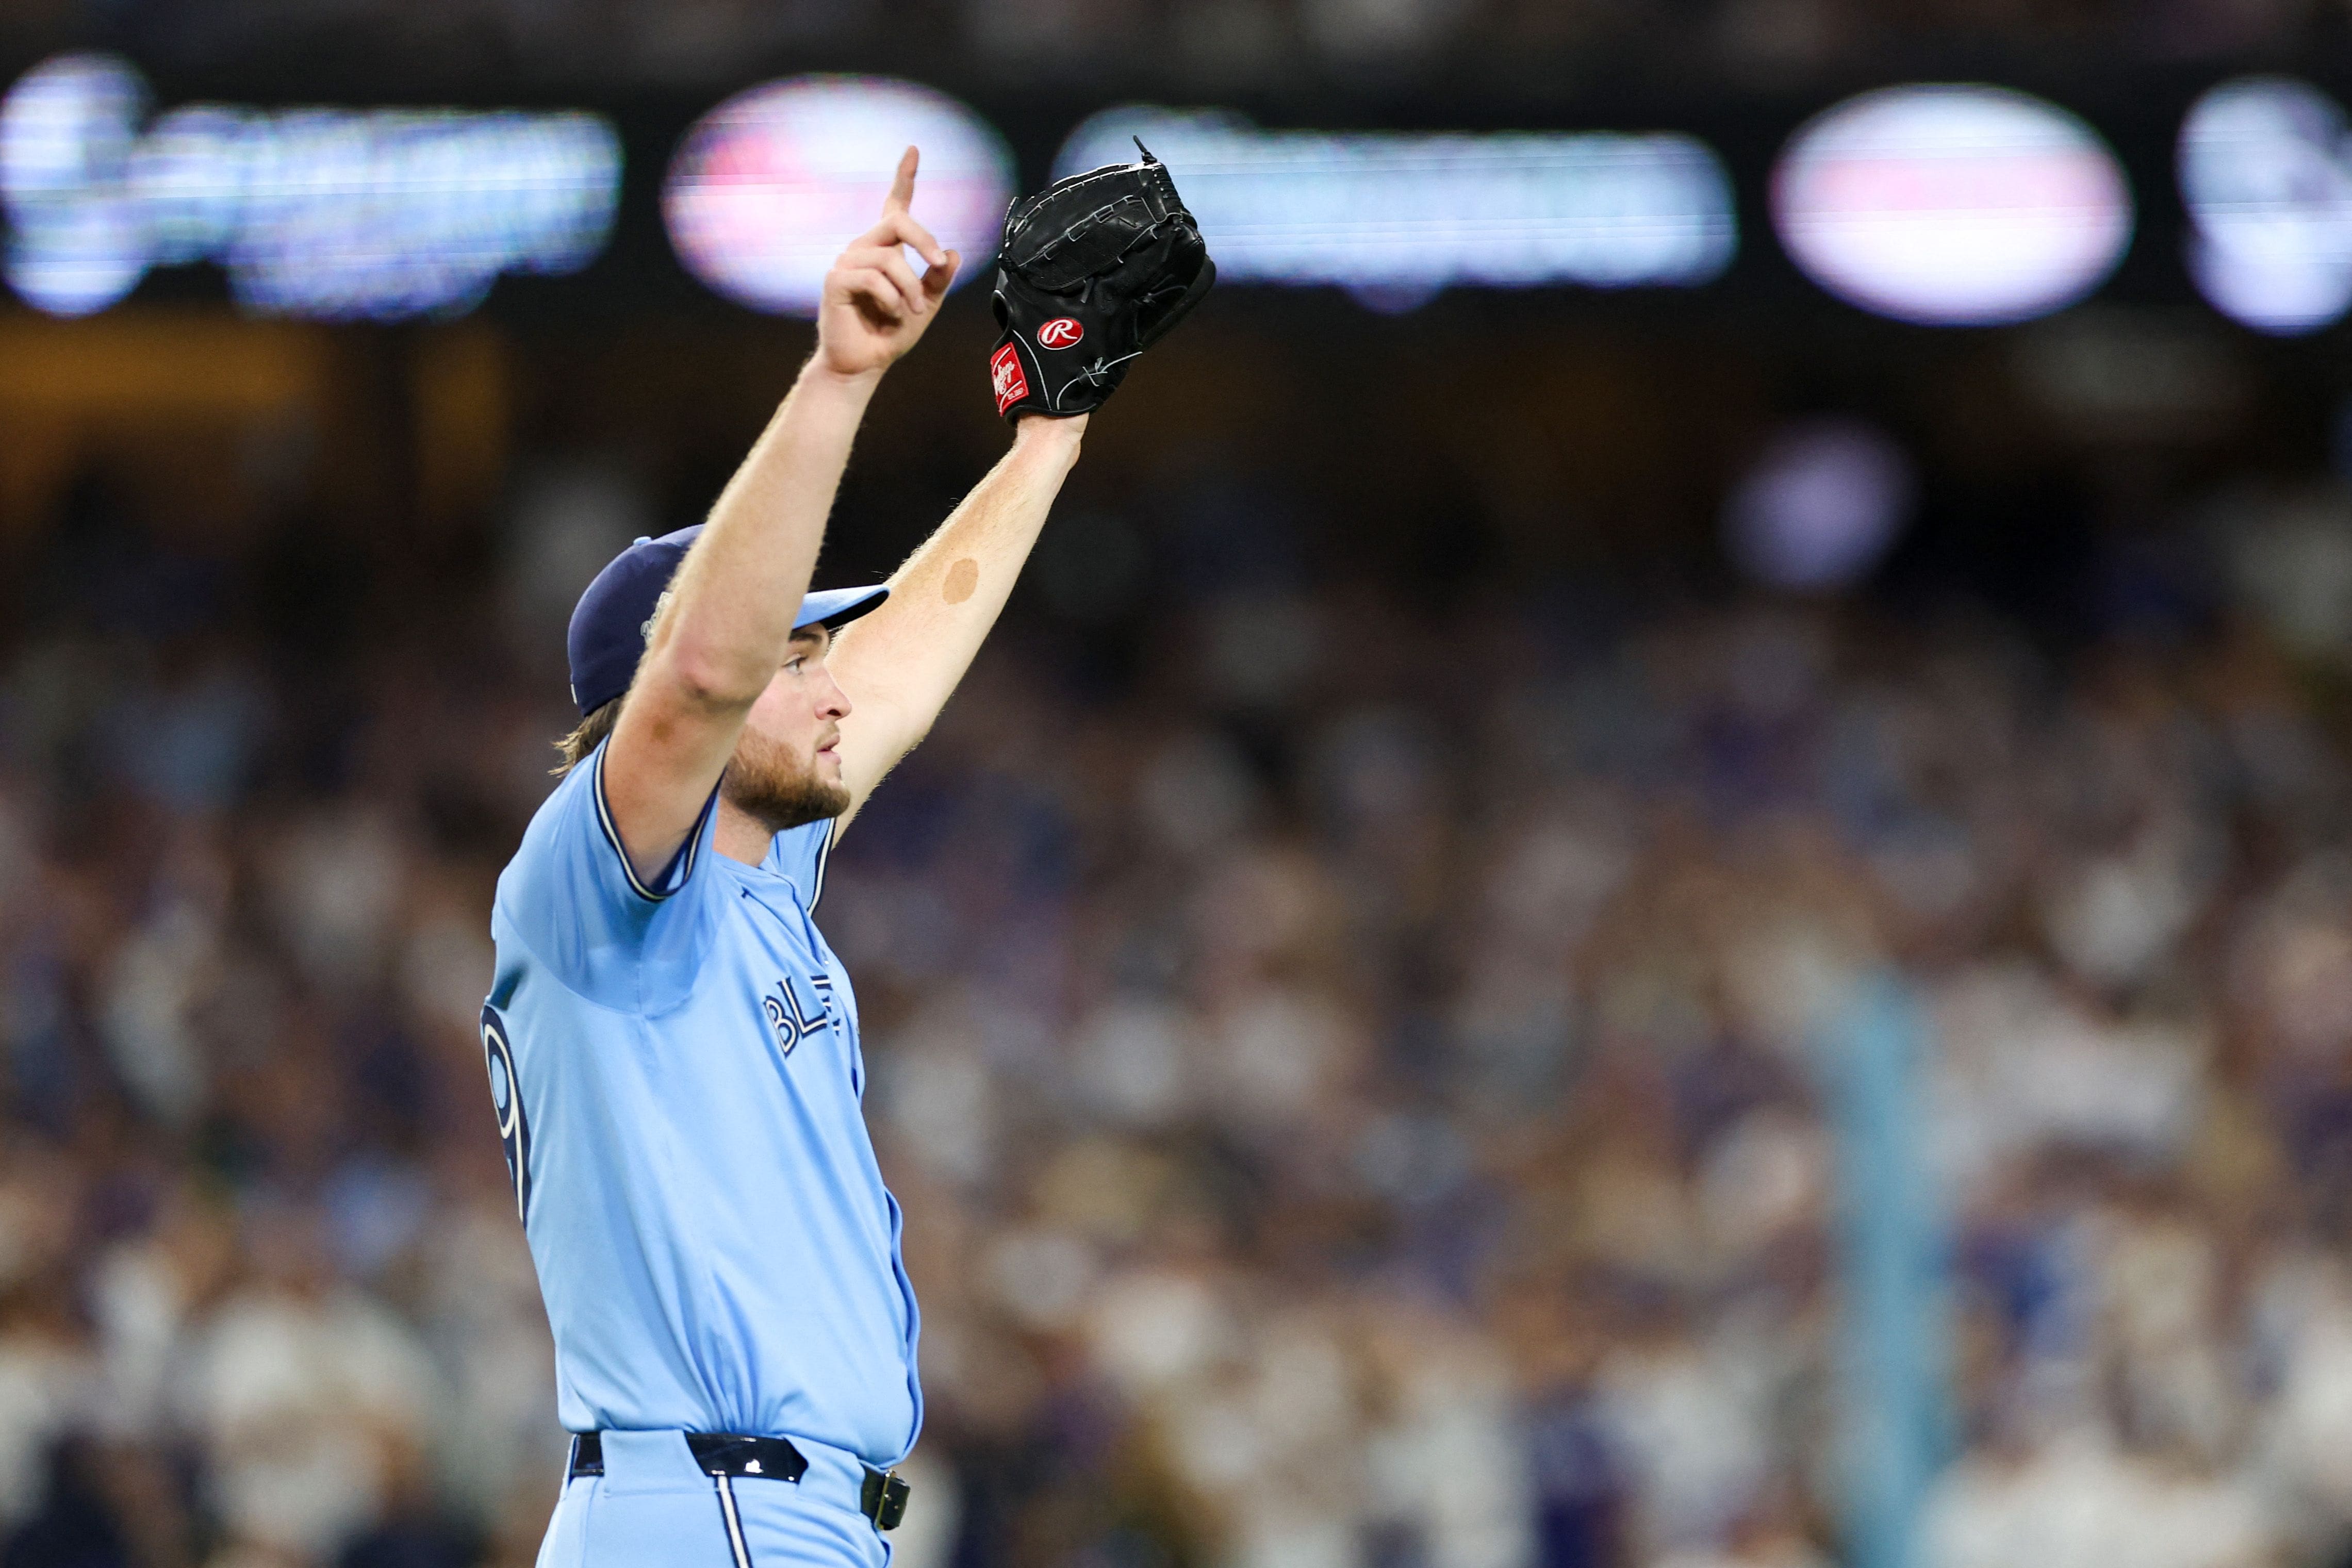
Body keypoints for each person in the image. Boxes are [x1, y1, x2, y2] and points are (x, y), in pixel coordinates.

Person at [481, 150, 1105, 1568]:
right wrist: (837, 378)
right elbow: (703, 671)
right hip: (710, 1507)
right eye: (795, 655)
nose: (832, 686)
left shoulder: (756, 876)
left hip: (769, 1512)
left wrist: (1044, 445)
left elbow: (890, 678)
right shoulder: (595, 889)